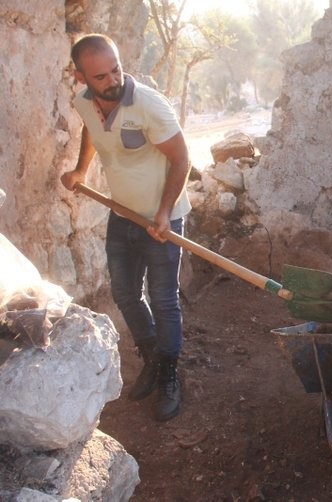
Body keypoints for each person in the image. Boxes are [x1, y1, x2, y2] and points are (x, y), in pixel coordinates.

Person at [61, 34, 192, 421]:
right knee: (124, 294)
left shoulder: (149, 105)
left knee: (164, 299)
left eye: (116, 68)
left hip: (161, 219)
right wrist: (81, 170)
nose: (113, 80)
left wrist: (165, 212)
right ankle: (153, 356)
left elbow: (182, 158)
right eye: (100, 76)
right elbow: (91, 128)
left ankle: (169, 374)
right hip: (121, 214)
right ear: (80, 77)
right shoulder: (84, 103)